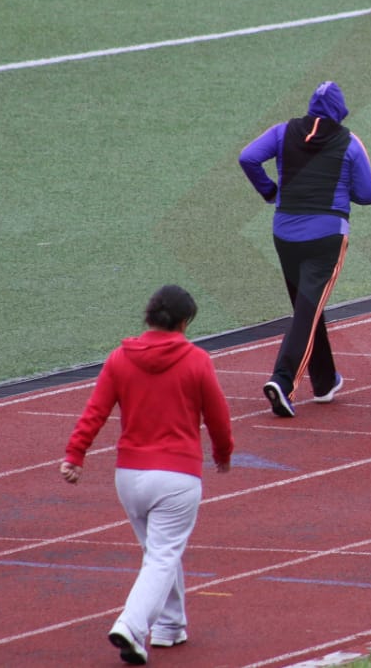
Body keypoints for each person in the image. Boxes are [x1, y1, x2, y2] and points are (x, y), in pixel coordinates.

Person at [61, 285, 233, 666]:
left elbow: (95, 411)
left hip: (130, 476)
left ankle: (170, 625)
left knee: (159, 552)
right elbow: (218, 416)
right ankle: (132, 625)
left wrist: (75, 454)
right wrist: (223, 454)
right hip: (177, 477)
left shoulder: (120, 359)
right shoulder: (197, 361)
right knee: (162, 556)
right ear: (184, 323)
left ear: (149, 316)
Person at [239, 81, 371, 418]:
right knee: (307, 310)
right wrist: (342, 187)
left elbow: (248, 157)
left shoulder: (282, 131)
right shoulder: (349, 142)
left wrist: (270, 191)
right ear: (340, 111)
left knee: (307, 308)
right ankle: (282, 380)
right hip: (326, 237)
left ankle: (324, 380)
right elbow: (369, 194)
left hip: (285, 234)